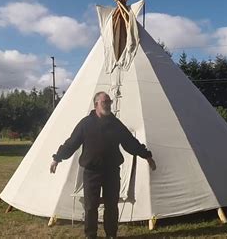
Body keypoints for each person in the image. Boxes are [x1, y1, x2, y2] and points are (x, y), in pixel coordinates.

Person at [50, 91, 156, 239]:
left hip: (111, 171)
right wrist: (57, 158)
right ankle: (91, 235)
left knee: (111, 206)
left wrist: (147, 156)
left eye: (109, 102)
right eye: (105, 102)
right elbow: (71, 143)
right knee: (90, 207)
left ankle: (111, 235)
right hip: (91, 171)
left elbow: (130, 142)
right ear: (96, 104)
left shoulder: (116, 124)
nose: (108, 105)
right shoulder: (86, 124)